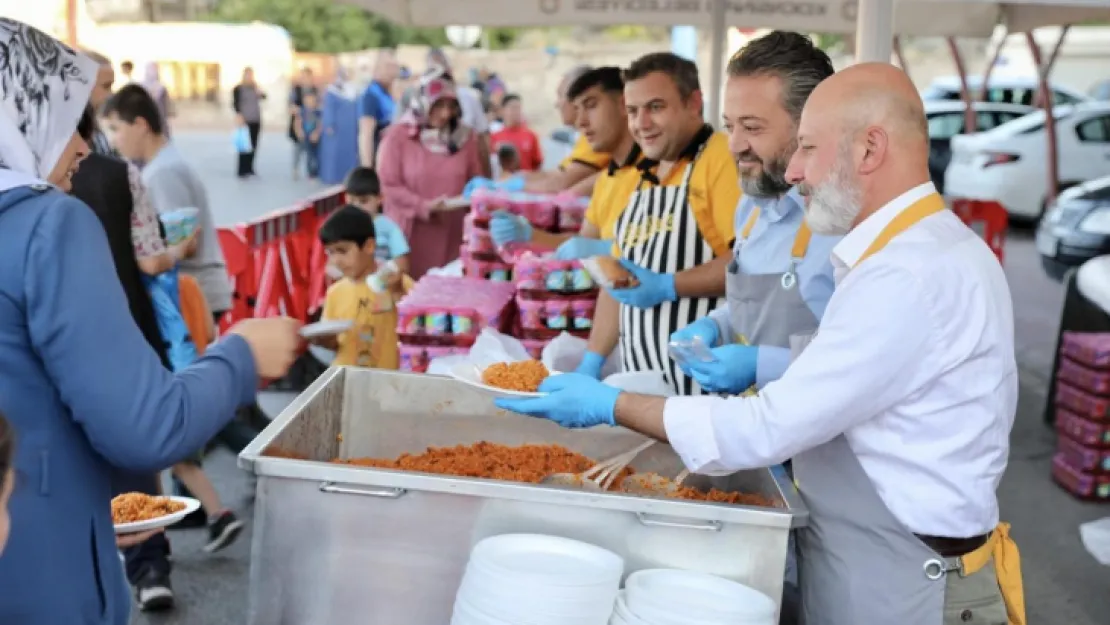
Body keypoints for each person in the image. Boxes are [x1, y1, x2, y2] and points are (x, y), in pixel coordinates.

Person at [498, 62, 1024, 625]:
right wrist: (717, 329)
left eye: (809, 148)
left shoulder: (906, 275)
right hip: (871, 561)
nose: (796, 171)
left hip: (904, 583)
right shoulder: (911, 252)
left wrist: (609, 404)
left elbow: (765, 429)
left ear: (870, 149)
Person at [0, 20, 302, 624]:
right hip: (37, 577)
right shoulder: (46, 224)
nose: (85, 147)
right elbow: (146, 425)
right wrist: (241, 355)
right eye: (68, 121)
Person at [672, 32, 838, 399]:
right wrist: (717, 325)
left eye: (752, 128)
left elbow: (864, 363)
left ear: (809, 126)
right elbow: (758, 315)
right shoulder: (751, 207)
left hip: (829, 448)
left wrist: (762, 365)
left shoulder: (848, 223)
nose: (734, 145)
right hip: (764, 438)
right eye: (730, 126)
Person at [577, 53, 741, 397]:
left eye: (655, 107)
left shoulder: (720, 158)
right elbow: (616, 285)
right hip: (646, 392)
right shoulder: (645, 176)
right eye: (633, 111)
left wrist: (670, 285)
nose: (641, 123)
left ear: (693, 103)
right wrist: (591, 361)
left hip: (706, 393)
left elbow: (744, 265)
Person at [489, 66, 642, 261]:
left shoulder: (658, 174)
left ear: (623, 104)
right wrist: (529, 235)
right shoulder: (607, 179)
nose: (581, 122)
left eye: (591, 105)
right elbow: (583, 241)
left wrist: (609, 250)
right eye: (577, 109)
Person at [377, 69, 482, 279]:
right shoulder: (399, 136)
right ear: (422, 102)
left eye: (451, 106)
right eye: (438, 105)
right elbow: (389, 185)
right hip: (410, 234)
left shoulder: (464, 138)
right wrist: (423, 206)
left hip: (452, 233)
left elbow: (476, 180)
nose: (445, 114)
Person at [313, 205, 413, 368]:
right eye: (330, 252)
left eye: (342, 251)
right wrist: (325, 341)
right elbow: (335, 344)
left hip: (389, 380)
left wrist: (397, 292)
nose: (336, 260)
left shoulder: (396, 282)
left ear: (369, 246)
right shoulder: (335, 293)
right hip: (350, 380)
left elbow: (417, 328)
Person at [414, 49, 492, 178]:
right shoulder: (415, 107)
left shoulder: (469, 98)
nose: (445, 114)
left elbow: (483, 137)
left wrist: (487, 178)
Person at [344, 166, 411, 276]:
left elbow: (403, 265)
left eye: (363, 201)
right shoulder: (343, 227)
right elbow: (332, 265)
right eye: (351, 202)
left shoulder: (389, 229)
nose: (357, 207)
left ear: (379, 198)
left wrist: (385, 272)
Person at [358, 49, 400, 168]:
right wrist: (367, 168)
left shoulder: (390, 94)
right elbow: (366, 134)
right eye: (387, 66)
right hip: (380, 163)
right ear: (377, 69)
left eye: (394, 66)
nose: (392, 70)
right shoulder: (372, 94)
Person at [319, 68, 361, 184]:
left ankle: (348, 177)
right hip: (336, 129)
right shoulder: (332, 91)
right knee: (334, 154)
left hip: (350, 128)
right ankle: (332, 177)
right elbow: (329, 109)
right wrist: (329, 124)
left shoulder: (353, 89)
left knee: (350, 153)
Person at [491, 94, 543, 172]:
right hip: (503, 182)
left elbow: (537, 164)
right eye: (513, 108)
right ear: (502, 111)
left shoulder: (531, 135)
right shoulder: (494, 137)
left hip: (527, 182)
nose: (516, 112)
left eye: (519, 108)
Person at [232, 67, 267, 178]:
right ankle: (242, 169)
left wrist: (258, 90)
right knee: (244, 145)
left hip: (256, 119)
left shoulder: (254, 88)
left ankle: (250, 168)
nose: (249, 77)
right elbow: (235, 103)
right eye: (247, 75)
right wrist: (239, 115)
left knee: (254, 145)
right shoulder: (238, 88)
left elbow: (264, 97)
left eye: (251, 75)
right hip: (244, 119)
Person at [289, 67, 319, 178]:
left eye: (308, 77)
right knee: (298, 147)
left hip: (313, 123)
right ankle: (295, 169)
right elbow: (291, 105)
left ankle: (311, 171)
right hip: (300, 122)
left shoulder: (315, 90)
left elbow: (320, 105)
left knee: (312, 150)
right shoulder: (296, 90)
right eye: (303, 77)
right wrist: (298, 111)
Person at [295, 90, 323, 180]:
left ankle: (313, 173)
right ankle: (296, 169)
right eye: (308, 101)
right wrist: (299, 132)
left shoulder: (318, 112)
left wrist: (316, 133)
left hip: (314, 137)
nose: (310, 103)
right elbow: (297, 122)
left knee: (314, 155)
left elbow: (320, 124)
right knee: (301, 153)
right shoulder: (302, 112)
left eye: (312, 101)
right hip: (304, 136)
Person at [140, 62, 173, 136]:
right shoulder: (142, 85)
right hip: (146, 118)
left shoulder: (161, 86)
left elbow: (166, 104)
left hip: (160, 117)